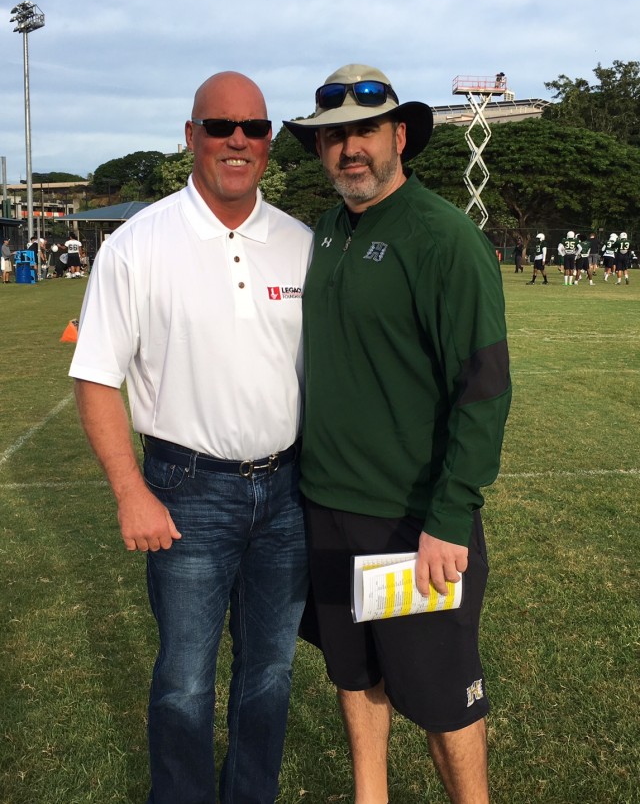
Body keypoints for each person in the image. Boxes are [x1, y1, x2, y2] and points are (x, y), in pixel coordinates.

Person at [69, 71, 313, 804]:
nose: (238, 140)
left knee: (269, 674)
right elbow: (94, 376)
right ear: (191, 137)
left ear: (269, 142)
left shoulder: (301, 244)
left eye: (255, 128)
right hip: (185, 491)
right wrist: (129, 490)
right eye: (220, 127)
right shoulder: (139, 244)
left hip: (289, 491)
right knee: (184, 679)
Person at [284, 64, 511, 804]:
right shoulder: (323, 232)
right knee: (356, 674)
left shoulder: (443, 237)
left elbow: (483, 389)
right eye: (334, 136)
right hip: (327, 507)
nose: (349, 149)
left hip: (413, 519)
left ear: (399, 135)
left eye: (365, 132)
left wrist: (449, 518)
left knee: (444, 699)